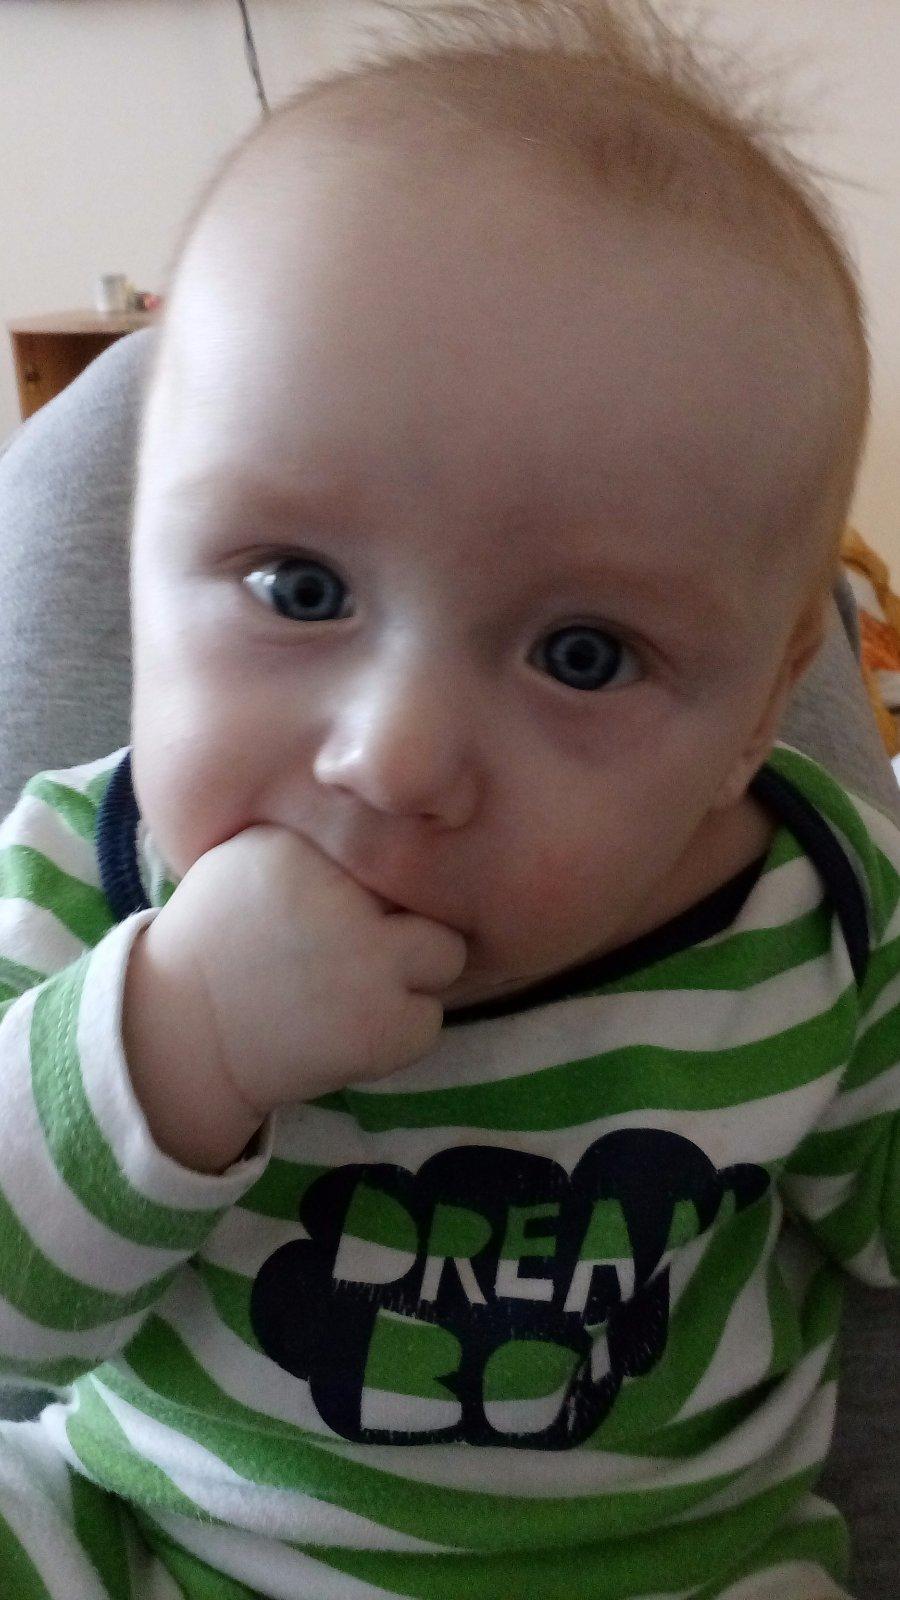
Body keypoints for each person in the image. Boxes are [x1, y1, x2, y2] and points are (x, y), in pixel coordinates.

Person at [0, 2, 896, 1595]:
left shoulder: (819, 919)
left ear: (760, 715)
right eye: (297, 585)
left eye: (581, 655)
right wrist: (172, 1041)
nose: (394, 759)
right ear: (133, 567)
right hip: (150, 1549)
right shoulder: (87, 874)